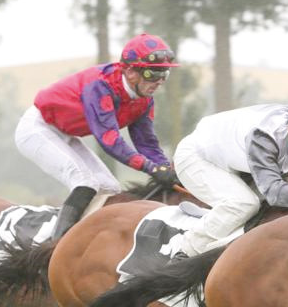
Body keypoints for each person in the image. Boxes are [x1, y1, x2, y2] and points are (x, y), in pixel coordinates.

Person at [15, 33, 180, 239]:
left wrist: (166, 169)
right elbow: (109, 140)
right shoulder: (100, 86)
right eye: (152, 74)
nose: (159, 81)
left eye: (164, 74)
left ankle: (88, 240)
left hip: (65, 133)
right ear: (130, 72)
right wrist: (151, 168)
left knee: (110, 187)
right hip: (37, 129)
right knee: (85, 181)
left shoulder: (144, 100)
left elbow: (146, 143)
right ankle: (54, 246)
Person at [171, 91, 288, 258]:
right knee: (244, 203)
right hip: (197, 157)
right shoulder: (264, 137)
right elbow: (276, 194)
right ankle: (183, 253)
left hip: (238, 163)